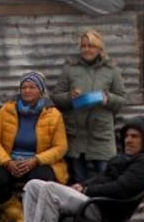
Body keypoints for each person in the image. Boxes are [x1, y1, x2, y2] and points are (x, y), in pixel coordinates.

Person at [0, 115, 144, 222]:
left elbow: (120, 189)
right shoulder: (127, 158)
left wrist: (87, 190)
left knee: (49, 189)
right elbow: (103, 178)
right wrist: (82, 185)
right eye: (127, 136)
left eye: (135, 136)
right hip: (95, 200)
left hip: (104, 208)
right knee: (33, 185)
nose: (128, 140)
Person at [0, 71, 68, 222]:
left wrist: (36, 160)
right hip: (10, 160)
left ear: (40, 91)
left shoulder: (53, 115)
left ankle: (29, 220)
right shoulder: (6, 110)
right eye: (24, 87)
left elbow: (60, 146)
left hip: (38, 162)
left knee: (41, 182)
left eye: (32, 87)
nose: (27, 90)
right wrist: (7, 162)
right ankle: (20, 217)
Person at [50, 29, 126, 184]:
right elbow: (56, 97)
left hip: (101, 135)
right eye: (83, 46)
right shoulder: (70, 68)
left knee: (106, 181)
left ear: (99, 48)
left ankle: (102, 209)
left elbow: (121, 99)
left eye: (91, 46)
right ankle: (81, 209)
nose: (86, 50)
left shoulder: (112, 70)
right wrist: (69, 96)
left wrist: (107, 98)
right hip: (76, 136)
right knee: (78, 183)